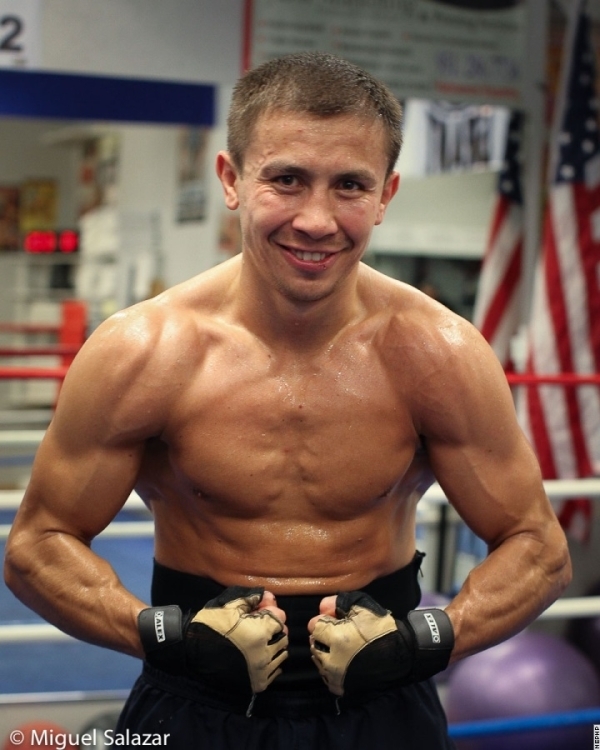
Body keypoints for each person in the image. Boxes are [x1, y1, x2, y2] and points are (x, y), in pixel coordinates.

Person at [4, 52, 571, 749]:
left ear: (386, 195)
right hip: (195, 704)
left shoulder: (438, 354)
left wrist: (424, 641)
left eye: (350, 186)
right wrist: (167, 637)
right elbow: (38, 545)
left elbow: (539, 548)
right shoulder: (144, 351)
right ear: (231, 179)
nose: (316, 220)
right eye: (287, 180)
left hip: (384, 707)